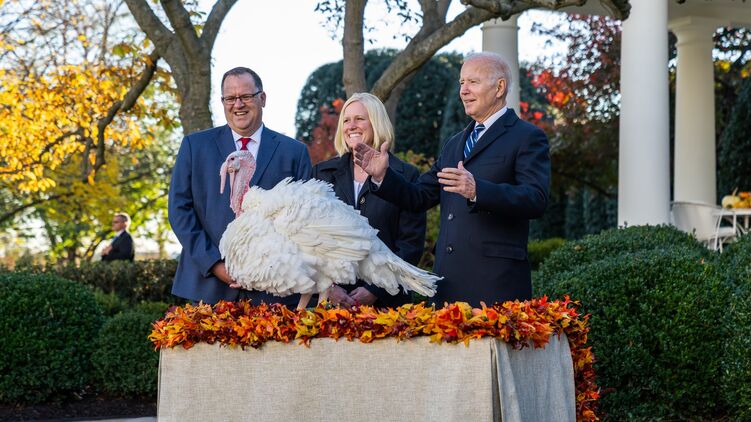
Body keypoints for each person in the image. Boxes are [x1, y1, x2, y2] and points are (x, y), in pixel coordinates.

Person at [353, 52, 550, 306]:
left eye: (473, 82)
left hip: (496, 284)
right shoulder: (454, 144)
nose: (463, 91)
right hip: (448, 284)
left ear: (499, 87)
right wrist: (382, 176)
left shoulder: (527, 136)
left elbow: (535, 199)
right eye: (461, 83)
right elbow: (419, 197)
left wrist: (477, 191)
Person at [168, 66, 312, 305]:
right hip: (209, 287)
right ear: (222, 102)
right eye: (230, 98)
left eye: (246, 96)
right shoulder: (195, 147)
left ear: (262, 98)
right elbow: (179, 210)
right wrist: (214, 264)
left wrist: (271, 267)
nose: (238, 104)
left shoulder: (294, 152)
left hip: (276, 288)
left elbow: (304, 219)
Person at [312, 93, 426, 308]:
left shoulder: (406, 176)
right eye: (346, 120)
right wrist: (328, 287)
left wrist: (376, 290)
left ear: (376, 123)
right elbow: (308, 240)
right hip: (331, 306)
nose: (351, 126)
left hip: (388, 308)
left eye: (360, 119)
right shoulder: (322, 174)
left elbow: (410, 245)